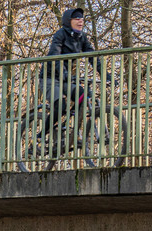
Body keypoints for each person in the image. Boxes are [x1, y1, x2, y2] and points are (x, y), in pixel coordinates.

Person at [41, 8, 99, 139]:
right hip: (50, 78)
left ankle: (73, 132)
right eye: (77, 18)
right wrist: (64, 73)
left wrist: (106, 74)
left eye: (82, 18)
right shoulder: (60, 35)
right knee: (60, 105)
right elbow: (54, 57)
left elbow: (93, 57)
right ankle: (41, 134)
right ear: (69, 21)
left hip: (65, 78)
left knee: (82, 94)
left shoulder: (81, 37)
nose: (80, 21)